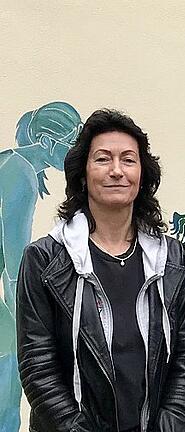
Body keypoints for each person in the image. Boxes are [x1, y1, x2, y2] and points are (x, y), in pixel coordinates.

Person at [16, 109, 185, 432]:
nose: (117, 170)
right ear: (83, 174)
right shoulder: (45, 260)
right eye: (103, 159)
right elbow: (38, 367)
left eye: (128, 160)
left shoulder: (170, 258)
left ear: (142, 174)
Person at [0, 101, 82, 431]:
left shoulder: (12, 164)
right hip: (4, 315)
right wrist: (26, 329)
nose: (75, 154)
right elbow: (15, 265)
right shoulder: (20, 175)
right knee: (6, 406)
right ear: (48, 141)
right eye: (71, 144)